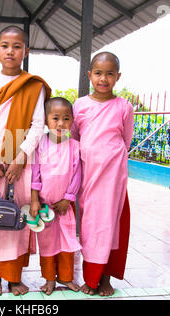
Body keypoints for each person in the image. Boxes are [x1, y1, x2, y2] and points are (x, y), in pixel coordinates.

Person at [0, 25, 51, 296]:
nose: (10, 51)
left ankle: (14, 276)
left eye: (17, 46)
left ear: (25, 51)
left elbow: (38, 125)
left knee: (16, 213)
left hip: (19, 155)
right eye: (5, 45)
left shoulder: (33, 85)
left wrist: (20, 158)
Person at [71, 52, 134, 296]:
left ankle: (106, 278)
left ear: (117, 77)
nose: (103, 78)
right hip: (89, 177)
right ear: (89, 75)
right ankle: (91, 277)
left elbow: (125, 141)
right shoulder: (80, 105)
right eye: (98, 73)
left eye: (110, 74)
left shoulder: (124, 107)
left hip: (113, 180)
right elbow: (75, 139)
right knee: (90, 227)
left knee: (112, 226)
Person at [30, 97, 82, 295]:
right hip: (44, 205)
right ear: (45, 120)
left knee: (67, 243)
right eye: (55, 118)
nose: (61, 124)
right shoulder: (40, 143)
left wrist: (68, 198)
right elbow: (35, 174)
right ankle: (49, 279)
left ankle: (66, 278)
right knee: (47, 244)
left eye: (66, 119)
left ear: (72, 121)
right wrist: (35, 199)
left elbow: (77, 174)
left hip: (65, 206)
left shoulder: (75, 146)